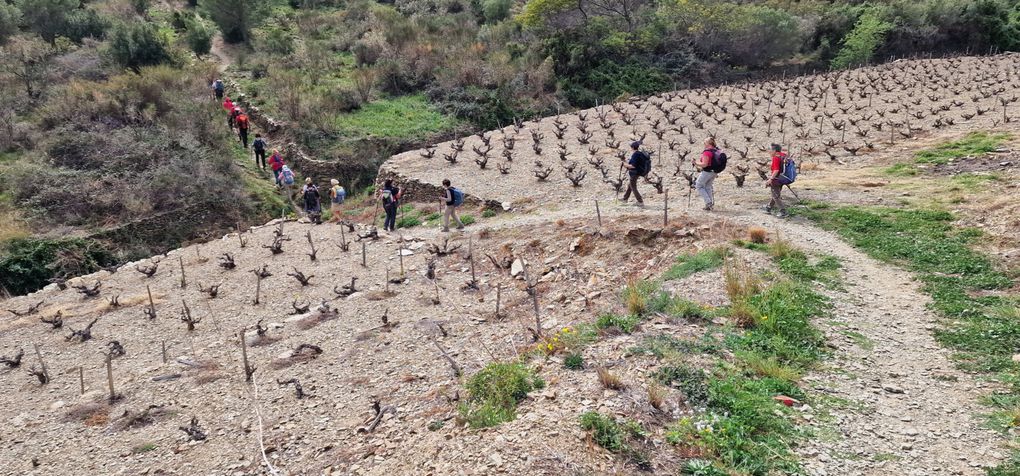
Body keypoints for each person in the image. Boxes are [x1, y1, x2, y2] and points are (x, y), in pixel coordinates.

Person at [694, 137, 720, 211]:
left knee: (698, 185)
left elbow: (704, 164)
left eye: (705, 142)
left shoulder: (707, 152)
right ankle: (709, 205)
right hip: (714, 172)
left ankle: (708, 203)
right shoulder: (716, 150)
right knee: (708, 186)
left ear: (708, 143)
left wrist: (696, 163)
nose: (704, 143)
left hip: (707, 172)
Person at [621, 141, 649, 207]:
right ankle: (625, 198)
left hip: (634, 173)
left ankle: (640, 201)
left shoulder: (635, 155)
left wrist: (625, 165)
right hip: (638, 172)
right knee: (630, 185)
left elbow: (633, 166)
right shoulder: (640, 153)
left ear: (632, 147)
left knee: (633, 186)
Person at [765, 143, 788, 218]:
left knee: (776, 196)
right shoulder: (783, 155)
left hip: (776, 180)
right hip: (783, 178)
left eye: (770, 150)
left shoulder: (776, 157)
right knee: (776, 194)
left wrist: (770, 179)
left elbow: (776, 170)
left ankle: (783, 211)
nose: (769, 151)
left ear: (774, 150)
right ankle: (768, 207)